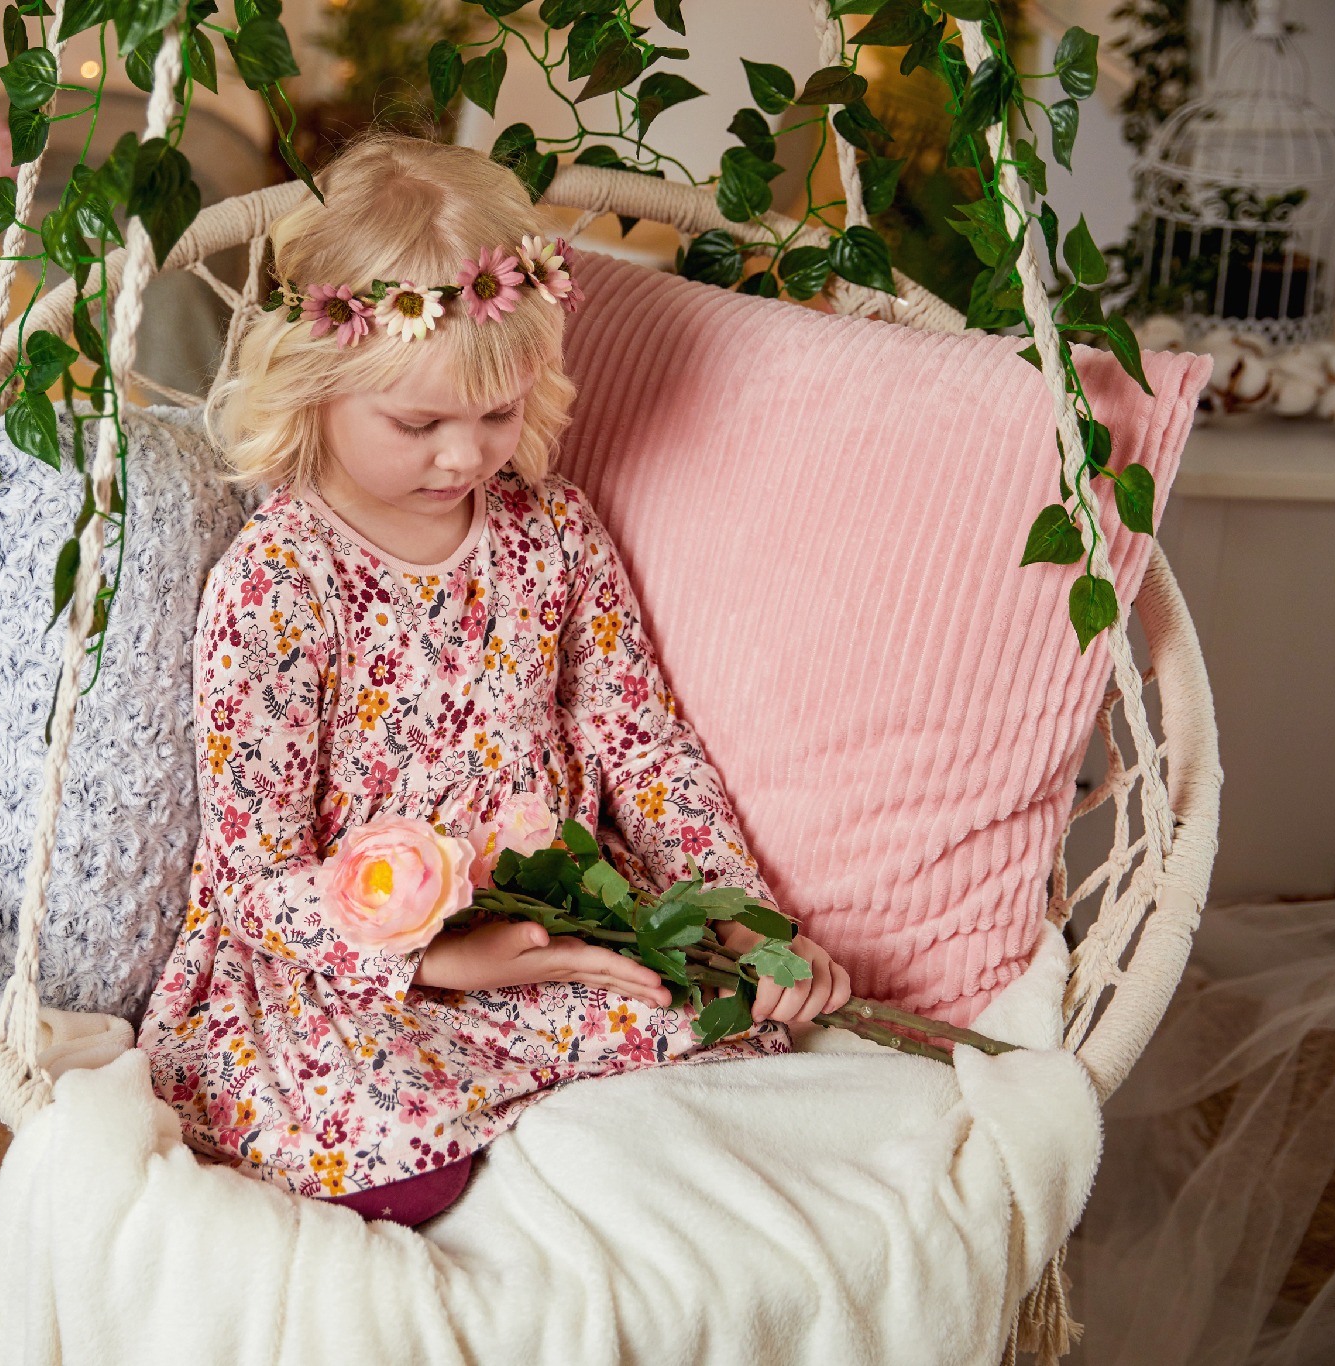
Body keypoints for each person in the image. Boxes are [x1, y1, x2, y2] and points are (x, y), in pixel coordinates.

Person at [136, 134, 850, 1226]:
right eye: (418, 423)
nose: (466, 457)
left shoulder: (551, 530)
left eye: (499, 413)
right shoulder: (279, 581)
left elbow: (641, 746)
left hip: (553, 924)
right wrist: (445, 963)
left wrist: (745, 913)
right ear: (316, 385)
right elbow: (253, 875)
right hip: (357, 974)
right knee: (384, 1148)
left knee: (724, 1045)